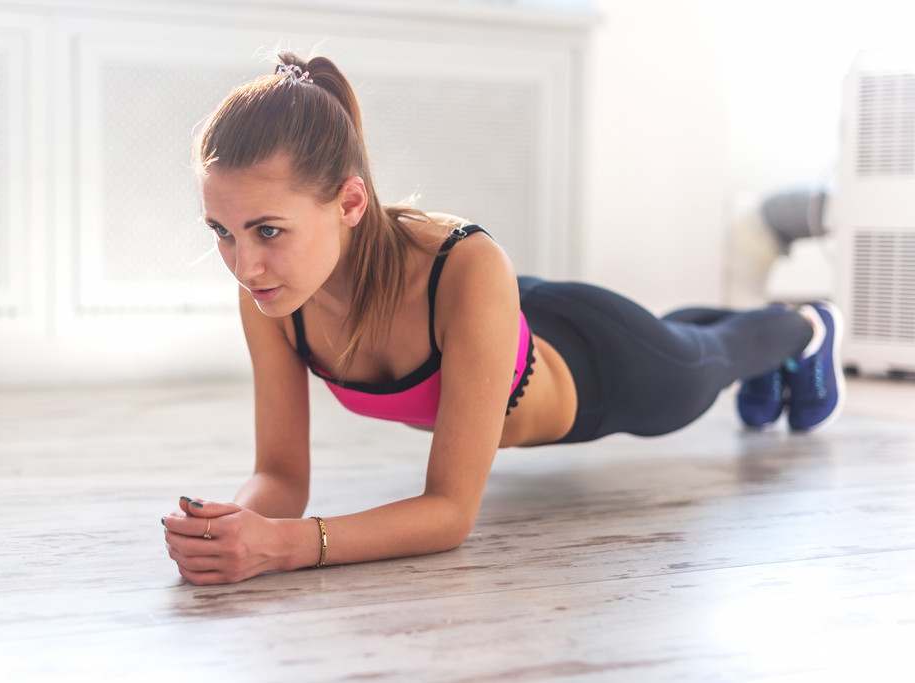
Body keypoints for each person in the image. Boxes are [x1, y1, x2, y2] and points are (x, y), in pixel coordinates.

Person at [162, 52, 845, 585]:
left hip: (594, 363)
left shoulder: (461, 261)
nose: (243, 264)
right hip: (500, 321)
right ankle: (750, 337)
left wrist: (286, 545)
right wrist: (233, 523)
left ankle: (805, 328)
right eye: (221, 232)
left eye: (267, 231)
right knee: (688, 337)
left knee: (702, 362)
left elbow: (450, 513)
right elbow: (281, 476)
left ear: (348, 202)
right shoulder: (273, 296)